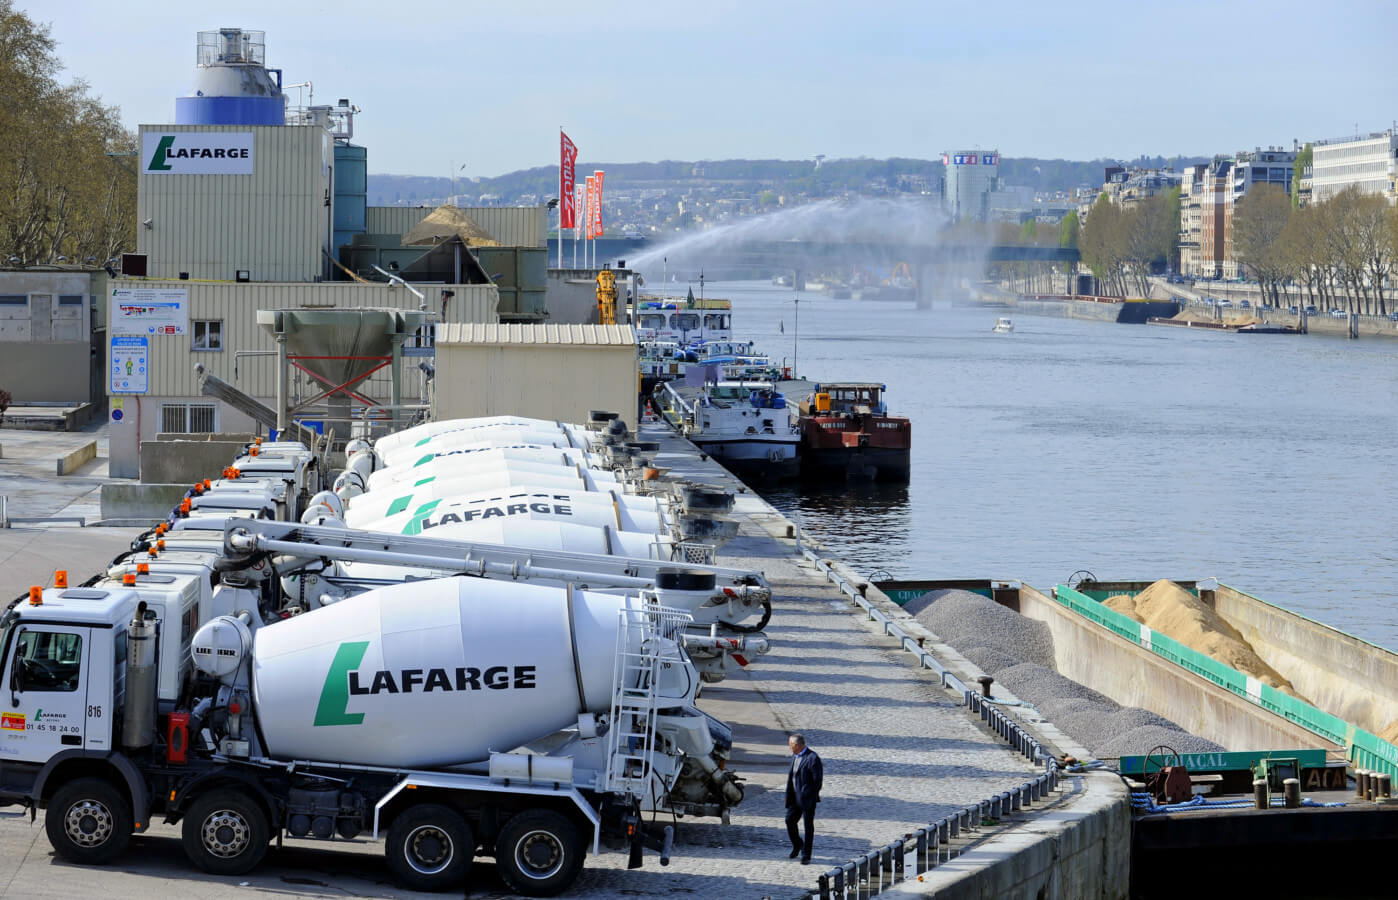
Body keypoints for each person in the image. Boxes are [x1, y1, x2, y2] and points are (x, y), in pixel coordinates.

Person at [785, 733, 823, 864]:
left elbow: (818, 781)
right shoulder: (795, 756)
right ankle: (798, 844)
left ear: (797, 745)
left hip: (807, 799)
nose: (789, 747)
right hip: (795, 797)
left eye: (790, 745)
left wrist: (809, 794)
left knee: (808, 826)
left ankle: (806, 855)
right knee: (789, 820)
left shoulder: (812, 758)